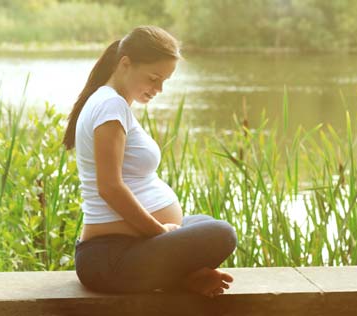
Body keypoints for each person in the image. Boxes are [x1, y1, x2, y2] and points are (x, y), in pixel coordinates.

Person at [61, 25, 237, 298]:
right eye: (154, 78)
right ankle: (183, 279)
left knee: (201, 222)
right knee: (221, 234)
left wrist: (162, 231)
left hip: (127, 249)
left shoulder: (112, 102)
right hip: (110, 259)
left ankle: (184, 279)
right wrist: (159, 232)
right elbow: (110, 188)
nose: (159, 89)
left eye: (164, 81)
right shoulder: (111, 106)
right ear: (125, 64)